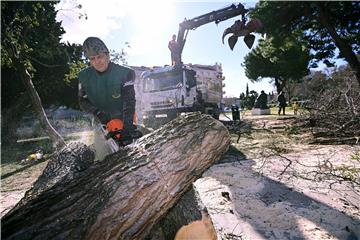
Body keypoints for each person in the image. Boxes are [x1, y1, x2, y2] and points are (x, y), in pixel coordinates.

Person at [78, 37, 137, 157]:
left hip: (125, 118)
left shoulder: (125, 73)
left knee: (132, 154)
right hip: (101, 123)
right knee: (102, 157)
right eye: (92, 59)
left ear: (107, 55)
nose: (97, 61)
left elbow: (129, 102)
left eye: (100, 57)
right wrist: (98, 113)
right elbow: (82, 101)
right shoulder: (83, 76)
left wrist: (127, 128)